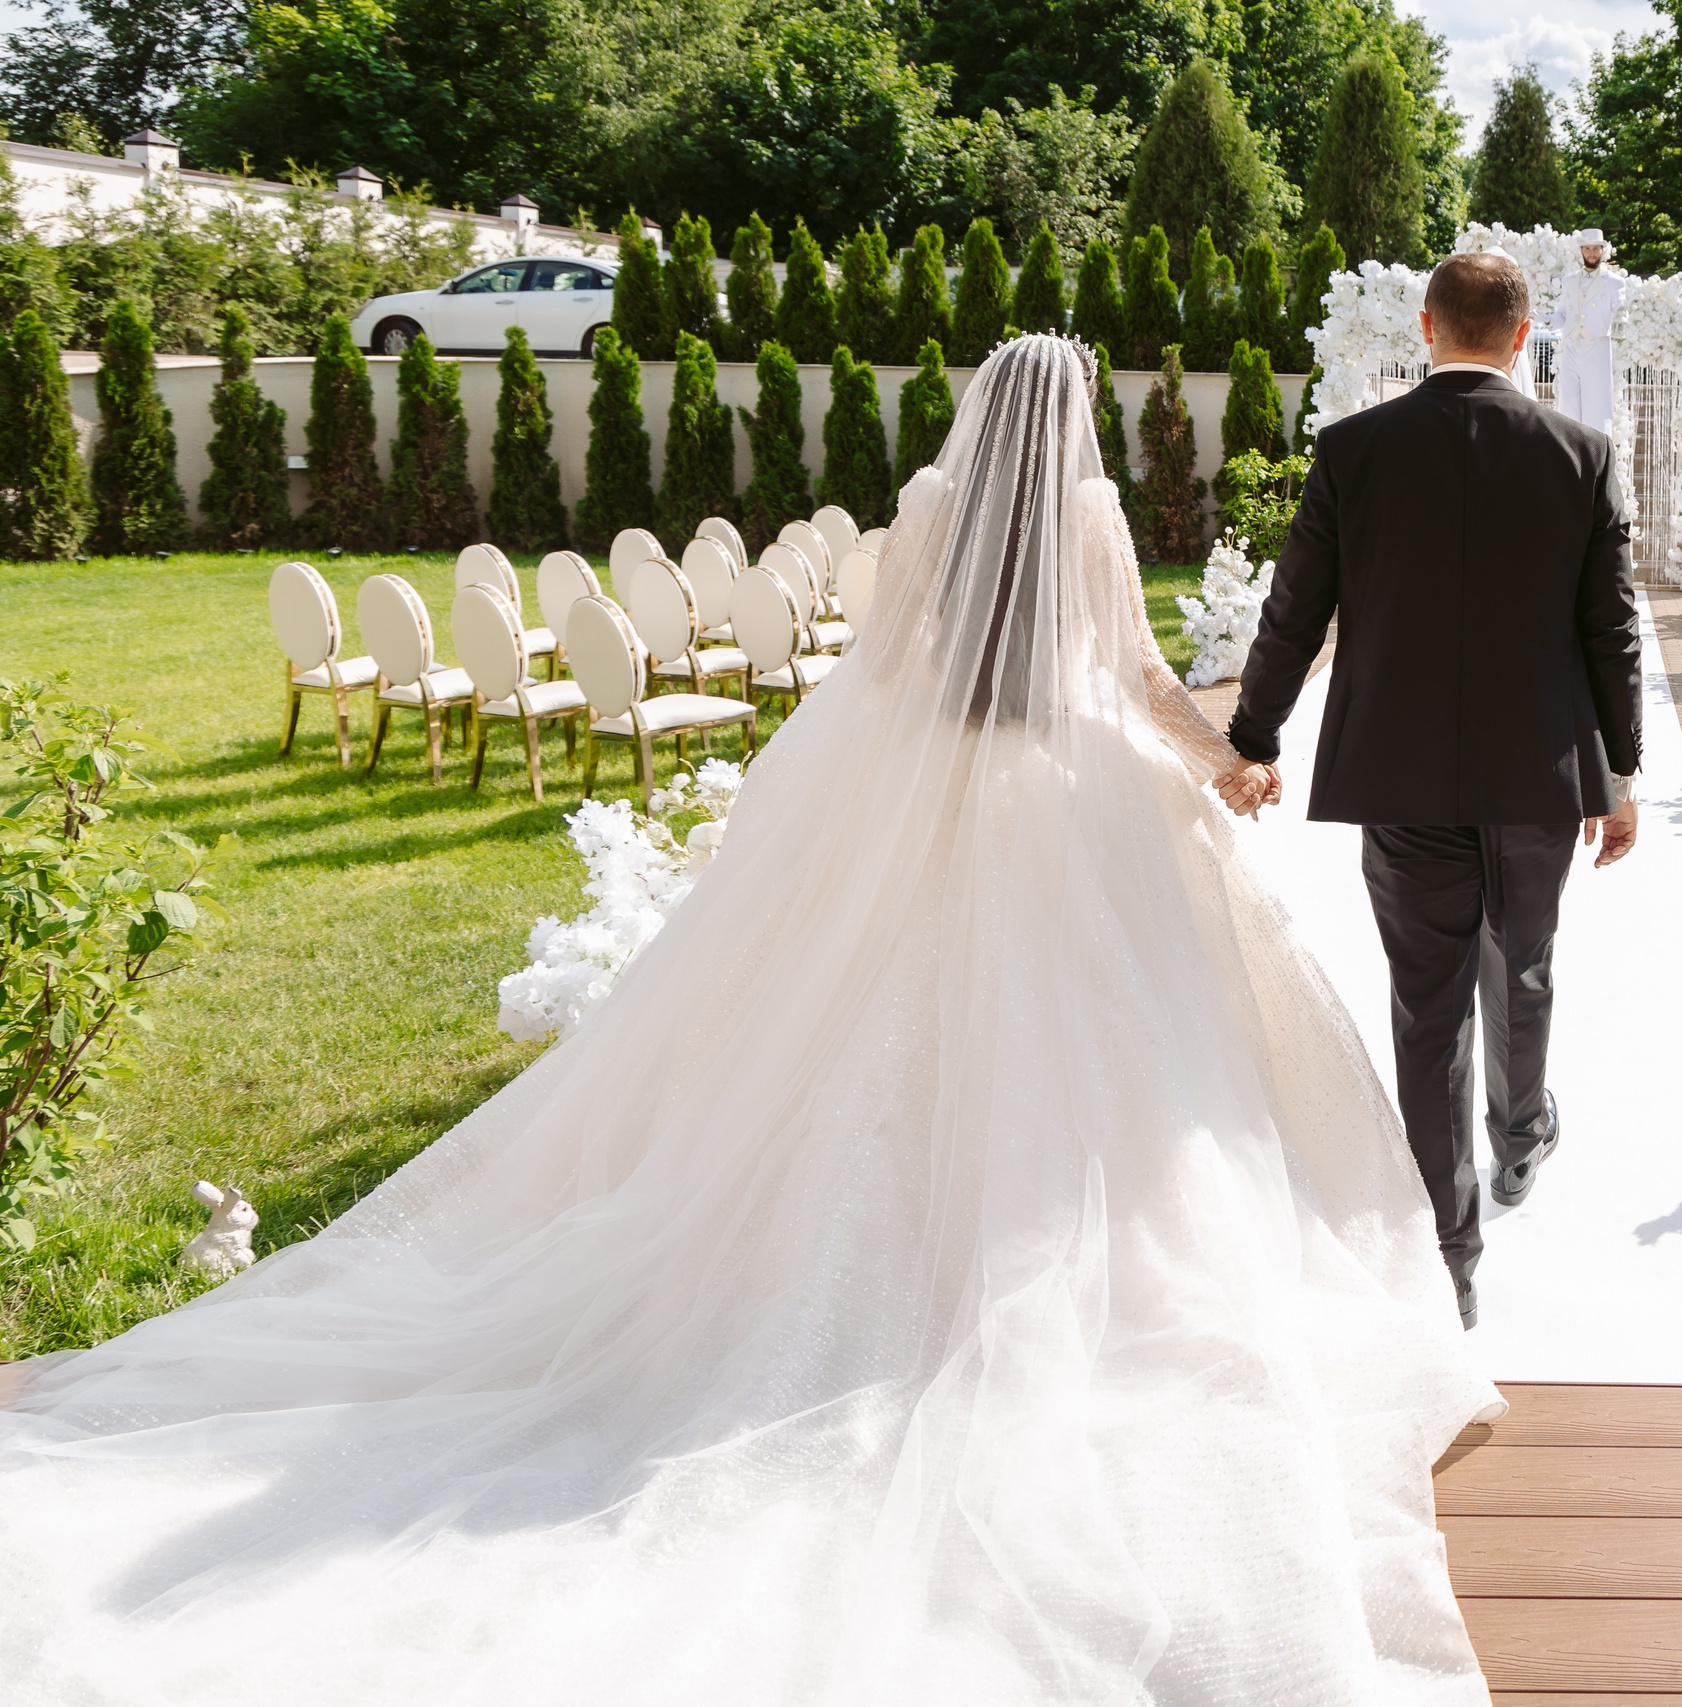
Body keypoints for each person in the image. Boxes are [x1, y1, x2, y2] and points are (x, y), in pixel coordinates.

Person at [0, 335, 1503, 1706]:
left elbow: (883, 663)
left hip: (921, 786)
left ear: (983, 409)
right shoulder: (1095, 517)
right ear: (1074, 422)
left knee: (858, 1029)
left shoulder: (928, 504)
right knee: (1103, 1056)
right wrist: (1221, 758)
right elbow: (1133, 669)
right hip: (1072, 799)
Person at [1220, 251, 1642, 1332]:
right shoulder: (1581, 453)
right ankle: (1520, 1138)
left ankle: (1452, 1260)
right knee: (1524, 961)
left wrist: (1255, 735)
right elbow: (1611, 630)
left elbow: (1293, 610)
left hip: (1401, 780)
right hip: (1540, 777)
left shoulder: (1353, 450)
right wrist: (1621, 775)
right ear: (1522, 335)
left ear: (1425, 326)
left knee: (1427, 1010)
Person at [1549, 229, 1624, 431]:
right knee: (1568, 404)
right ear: (1581, 250)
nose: (1591, 253)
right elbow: (1562, 315)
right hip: (1571, 346)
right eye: (1587, 248)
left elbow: (1620, 314)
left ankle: (1596, 449)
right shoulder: (1569, 281)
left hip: (1597, 347)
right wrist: (1547, 320)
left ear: (1602, 250)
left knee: (1597, 406)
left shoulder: (1614, 283)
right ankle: (1569, 447)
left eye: (1595, 249)